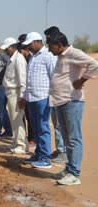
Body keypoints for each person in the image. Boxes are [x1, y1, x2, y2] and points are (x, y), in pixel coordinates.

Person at [48, 32, 98, 185]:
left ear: (60, 45)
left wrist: (82, 80)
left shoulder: (74, 53)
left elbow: (95, 64)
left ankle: (74, 174)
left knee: (74, 138)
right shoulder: (60, 56)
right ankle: (69, 169)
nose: (50, 50)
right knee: (67, 138)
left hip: (72, 102)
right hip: (59, 102)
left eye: (51, 47)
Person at [19, 32, 56, 168]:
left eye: (29, 44)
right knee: (35, 128)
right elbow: (30, 80)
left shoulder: (48, 55)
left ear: (37, 42)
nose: (28, 47)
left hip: (43, 98)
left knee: (43, 127)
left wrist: (52, 97)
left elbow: (53, 77)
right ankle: (39, 154)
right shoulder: (33, 57)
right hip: (32, 98)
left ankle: (46, 158)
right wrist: (25, 96)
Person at [0, 37, 28, 154]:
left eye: (7, 49)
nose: (6, 51)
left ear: (13, 47)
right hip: (10, 92)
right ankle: (16, 142)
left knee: (17, 119)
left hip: (16, 92)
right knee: (13, 119)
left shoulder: (19, 59)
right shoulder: (11, 58)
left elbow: (23, 79)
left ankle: (21, 145)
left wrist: (22, 96)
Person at [44, 26, 67, 163]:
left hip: (60, 96)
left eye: (48, 40)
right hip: (52, 94)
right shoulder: (54, 55)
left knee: (60, 125)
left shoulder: (61, 56)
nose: (48, 44)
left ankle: (63, 151)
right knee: (56, 124)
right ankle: (59, 149)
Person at [17, 35, 35, 147]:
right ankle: (24, 136)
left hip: (30, 92)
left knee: (30, 117)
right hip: (23, 92)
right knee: (22, 116)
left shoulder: (31, 59)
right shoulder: (21, 59)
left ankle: (32, 138)